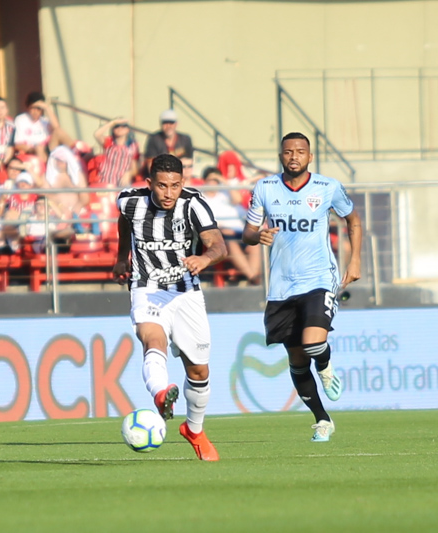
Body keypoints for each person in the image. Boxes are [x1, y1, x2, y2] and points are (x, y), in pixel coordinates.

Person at [242, 132, 362, 443]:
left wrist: (356, 261)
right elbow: (248, 233)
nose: (294, 156)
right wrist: (259, 237)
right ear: (281, 156)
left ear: (310, 157)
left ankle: (325, 365)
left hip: (319, 278)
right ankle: (322, 420)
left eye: (300, 152)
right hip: (281, 287)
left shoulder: (327, 187)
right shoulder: (265, 188)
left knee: (312, 345)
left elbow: (354, 220)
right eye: (288, 152)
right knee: (296, 360)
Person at [112, 153, 227, 461]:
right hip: (147, 288)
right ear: (150, 183)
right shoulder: (129, 201)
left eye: (175, 186)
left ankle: (194, 429)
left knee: (199, 370)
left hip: (186, 293)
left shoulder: (194, 205)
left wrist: (204, 258)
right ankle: (161, 393)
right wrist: (122, 257)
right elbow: (125, 223)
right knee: (153, 339)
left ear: (182, 183)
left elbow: (219, 245)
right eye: (162, 186)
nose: (168, 193)